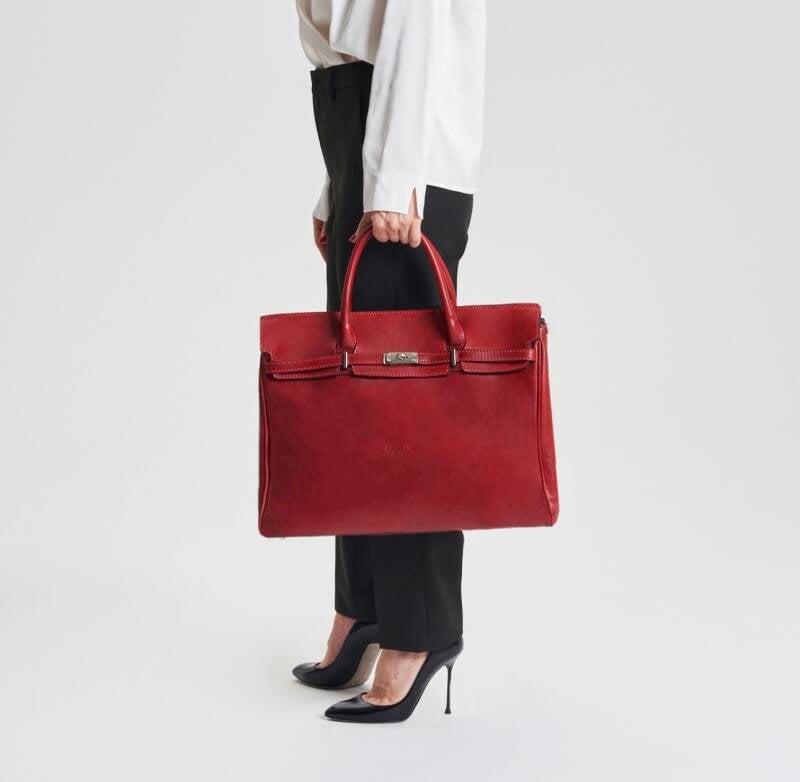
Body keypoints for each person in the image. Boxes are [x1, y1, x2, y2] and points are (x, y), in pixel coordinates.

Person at [291, 0, 486, 723]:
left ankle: (419, 630)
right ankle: (366, 607)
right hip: (363, 140)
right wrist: (339, 183)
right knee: (358, 405)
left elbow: (417, 29)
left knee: (405, 417)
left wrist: (394, 177)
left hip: (405, 163)